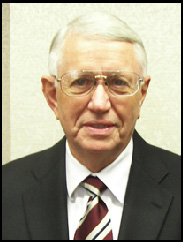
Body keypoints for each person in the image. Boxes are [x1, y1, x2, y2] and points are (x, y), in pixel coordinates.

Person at [2, 12, 181, 240]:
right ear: (52, 96)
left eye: (118, 82)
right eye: (81, 82)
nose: (99, 104)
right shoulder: (6, 191)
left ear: (141, 94)